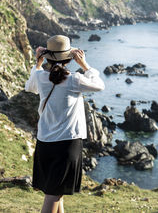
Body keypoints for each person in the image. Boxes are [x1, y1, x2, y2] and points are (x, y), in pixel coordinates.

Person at [25, 35, 105, 213]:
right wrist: (85, 65)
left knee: (56, 192)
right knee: (53, 194)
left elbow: (29, 87)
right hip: (67, 144)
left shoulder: (40, 77)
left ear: (47, 56)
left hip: (45, 142)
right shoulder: (74, 80)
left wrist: (38, 63)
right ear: (70, 58)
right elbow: (100, 85)